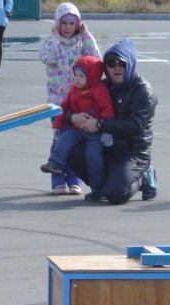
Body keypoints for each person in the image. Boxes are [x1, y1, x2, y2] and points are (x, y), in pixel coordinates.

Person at [63, 39, 158, 205]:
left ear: (130, 64)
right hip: (105, 146)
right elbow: (69, 105)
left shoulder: (143, 91)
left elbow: (135, 125)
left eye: (121, 63)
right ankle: (100, 187)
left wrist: (99, 124)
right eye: (111, 63)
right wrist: (72, 117)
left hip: (132, 152)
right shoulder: (101, 87)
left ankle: (143, 176)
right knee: (71, 149)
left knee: (116, 194)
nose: (116, 68)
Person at [39, 2, 100, 195]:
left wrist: (86, 35)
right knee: (59, 140)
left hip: (79, 103)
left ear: (78, 25)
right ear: (57, 24)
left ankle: (74, 179)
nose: (67, 27)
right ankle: (57, 179)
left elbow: (96, 59)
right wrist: (55, 38)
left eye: (71, 23)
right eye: (63, 23)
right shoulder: (53, 42)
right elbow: (47, 58)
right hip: (57, 103)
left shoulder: (81, 43)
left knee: (75, 141)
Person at [41, 56, 113, 202]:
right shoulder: (74, 90)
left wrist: (106, 130)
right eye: (75, 75)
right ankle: (55, 163)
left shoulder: (99, 90)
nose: (77, 79)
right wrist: (59, 125)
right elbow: (65, 107)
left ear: (91, 77)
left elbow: (107, 110)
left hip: (94, 133)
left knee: (93, 158)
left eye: (81, 76)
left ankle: (97, 190)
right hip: (77, 129)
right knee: (65, 139)